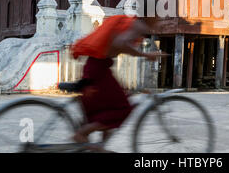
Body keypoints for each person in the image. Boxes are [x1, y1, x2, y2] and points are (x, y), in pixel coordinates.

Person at [70, 15, 164, 150]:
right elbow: (120, 43)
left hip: (96, 67)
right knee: (123, 109)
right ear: (151, 17)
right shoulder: (138, 26)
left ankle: (99, 146)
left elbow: (116, 44)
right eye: (158, 18)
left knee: (112, 107)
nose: (159, 22)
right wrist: (145, 55)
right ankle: (81, 134)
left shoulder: (133, 23)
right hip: (98, 70)